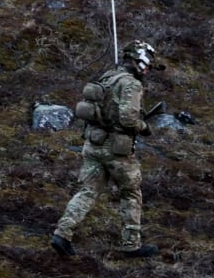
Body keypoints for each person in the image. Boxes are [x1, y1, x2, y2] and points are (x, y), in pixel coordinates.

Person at [50, 41, 166, 259]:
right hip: (117, 150)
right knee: (130, 192)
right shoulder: (131, 84)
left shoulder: (107, 76)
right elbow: (128, 118)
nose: (148, 69)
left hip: (93, 145)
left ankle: (62, 233)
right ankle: (131, 243)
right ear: (139, 62)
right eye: (147, 64)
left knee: (87, 191)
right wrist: (144, 127)